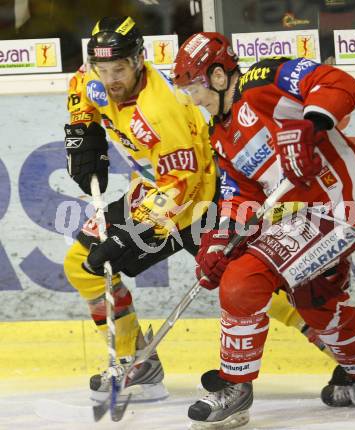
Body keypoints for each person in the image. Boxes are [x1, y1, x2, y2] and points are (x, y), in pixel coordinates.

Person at [63, 17, 330, 403]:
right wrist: (82, 129)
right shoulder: (96, 78)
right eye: (103, 70)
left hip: (201, 199)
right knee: (84, 266)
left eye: (118, 69)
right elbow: (80, 86)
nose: (110, 80)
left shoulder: (159, 110)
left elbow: (182, 183)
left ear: (139, 60)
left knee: (255, 290)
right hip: (155, 190)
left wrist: (130, 232)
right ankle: (137, 364)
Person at [172, 32, 355, 429]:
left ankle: (235, 386)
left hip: (338, 203)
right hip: (299, 217)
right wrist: (215, 244)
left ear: (217, 76)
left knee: (243, 280)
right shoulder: (221, 137)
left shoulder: (263, 80)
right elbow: (238, 197)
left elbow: (338, 83)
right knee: (316, 303)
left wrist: (311, 125)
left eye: (194, 87)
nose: (193, 99)